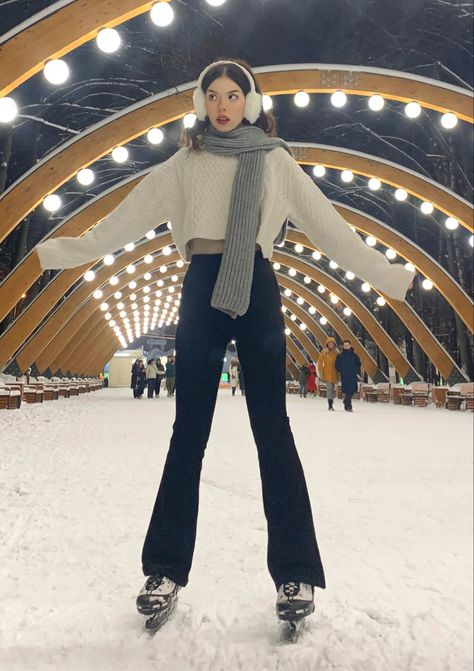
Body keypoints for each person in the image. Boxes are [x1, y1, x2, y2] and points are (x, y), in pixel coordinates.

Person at [34, 58, 414, 630]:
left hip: (257, 284)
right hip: (201, 285)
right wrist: (64, 252)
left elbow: (329, 225)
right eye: (212, 95)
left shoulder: (275, 163)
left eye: (233, 94)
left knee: (272, 429)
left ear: (251, 102)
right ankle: (163, 568)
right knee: (189, 430)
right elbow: (122, 221)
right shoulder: (184, 164)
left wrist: (386, 274)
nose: (223, 104)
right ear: (200, 103)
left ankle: (295, 571)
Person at [335, 340, 361, 412]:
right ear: (343, 346)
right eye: (345, 345)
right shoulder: (340, 356)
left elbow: (358, 364)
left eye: (347, 345)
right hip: (345, 376)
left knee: (352, 390)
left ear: (350, 346)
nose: (346, 346)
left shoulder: (354, 355)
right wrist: (341, 370)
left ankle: (346, 401)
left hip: (352, 375)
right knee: (347, 391)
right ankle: (349, 406)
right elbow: (337, 365)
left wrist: (355, 370)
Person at [317, 338, 340, 411]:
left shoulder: (337, 353)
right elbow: (320, 362)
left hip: (334, 373)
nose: (331, 345)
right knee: (329, 389)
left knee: (332, 389)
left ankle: (331, 403)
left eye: (332, 343)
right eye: (330, 343)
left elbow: (340, 362)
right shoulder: (324, 352)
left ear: (334, 344)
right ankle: (330, 405)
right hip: (326, 373)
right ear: (327, 344)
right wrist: (321, 372)